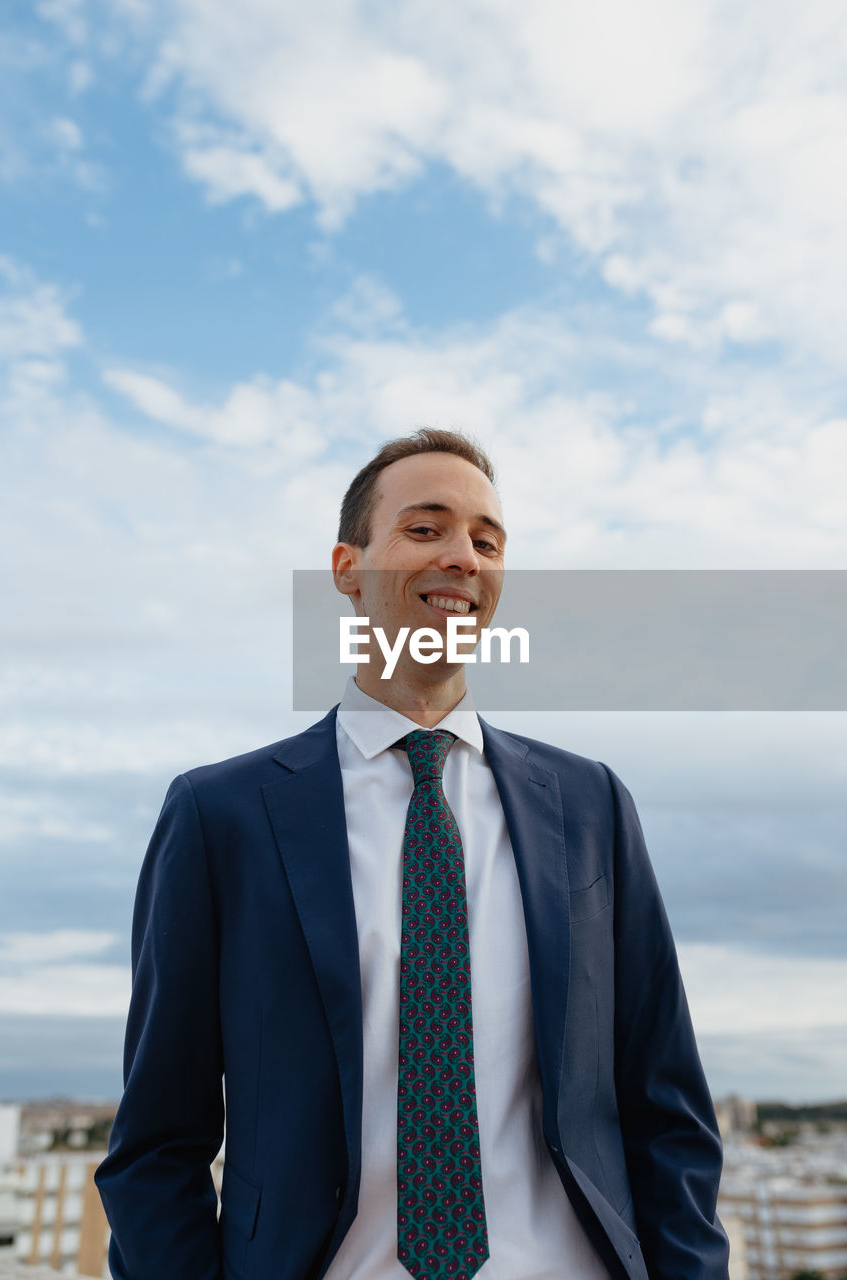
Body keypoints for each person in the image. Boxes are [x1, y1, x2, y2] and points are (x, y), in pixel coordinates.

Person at [95, 429, 729, 1280]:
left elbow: (667, 1113)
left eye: (486, 539)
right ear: (347, 566)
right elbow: (155, 1148)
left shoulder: (591, 807)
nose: (463, 557)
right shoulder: (221, 815)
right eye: (425, 529)